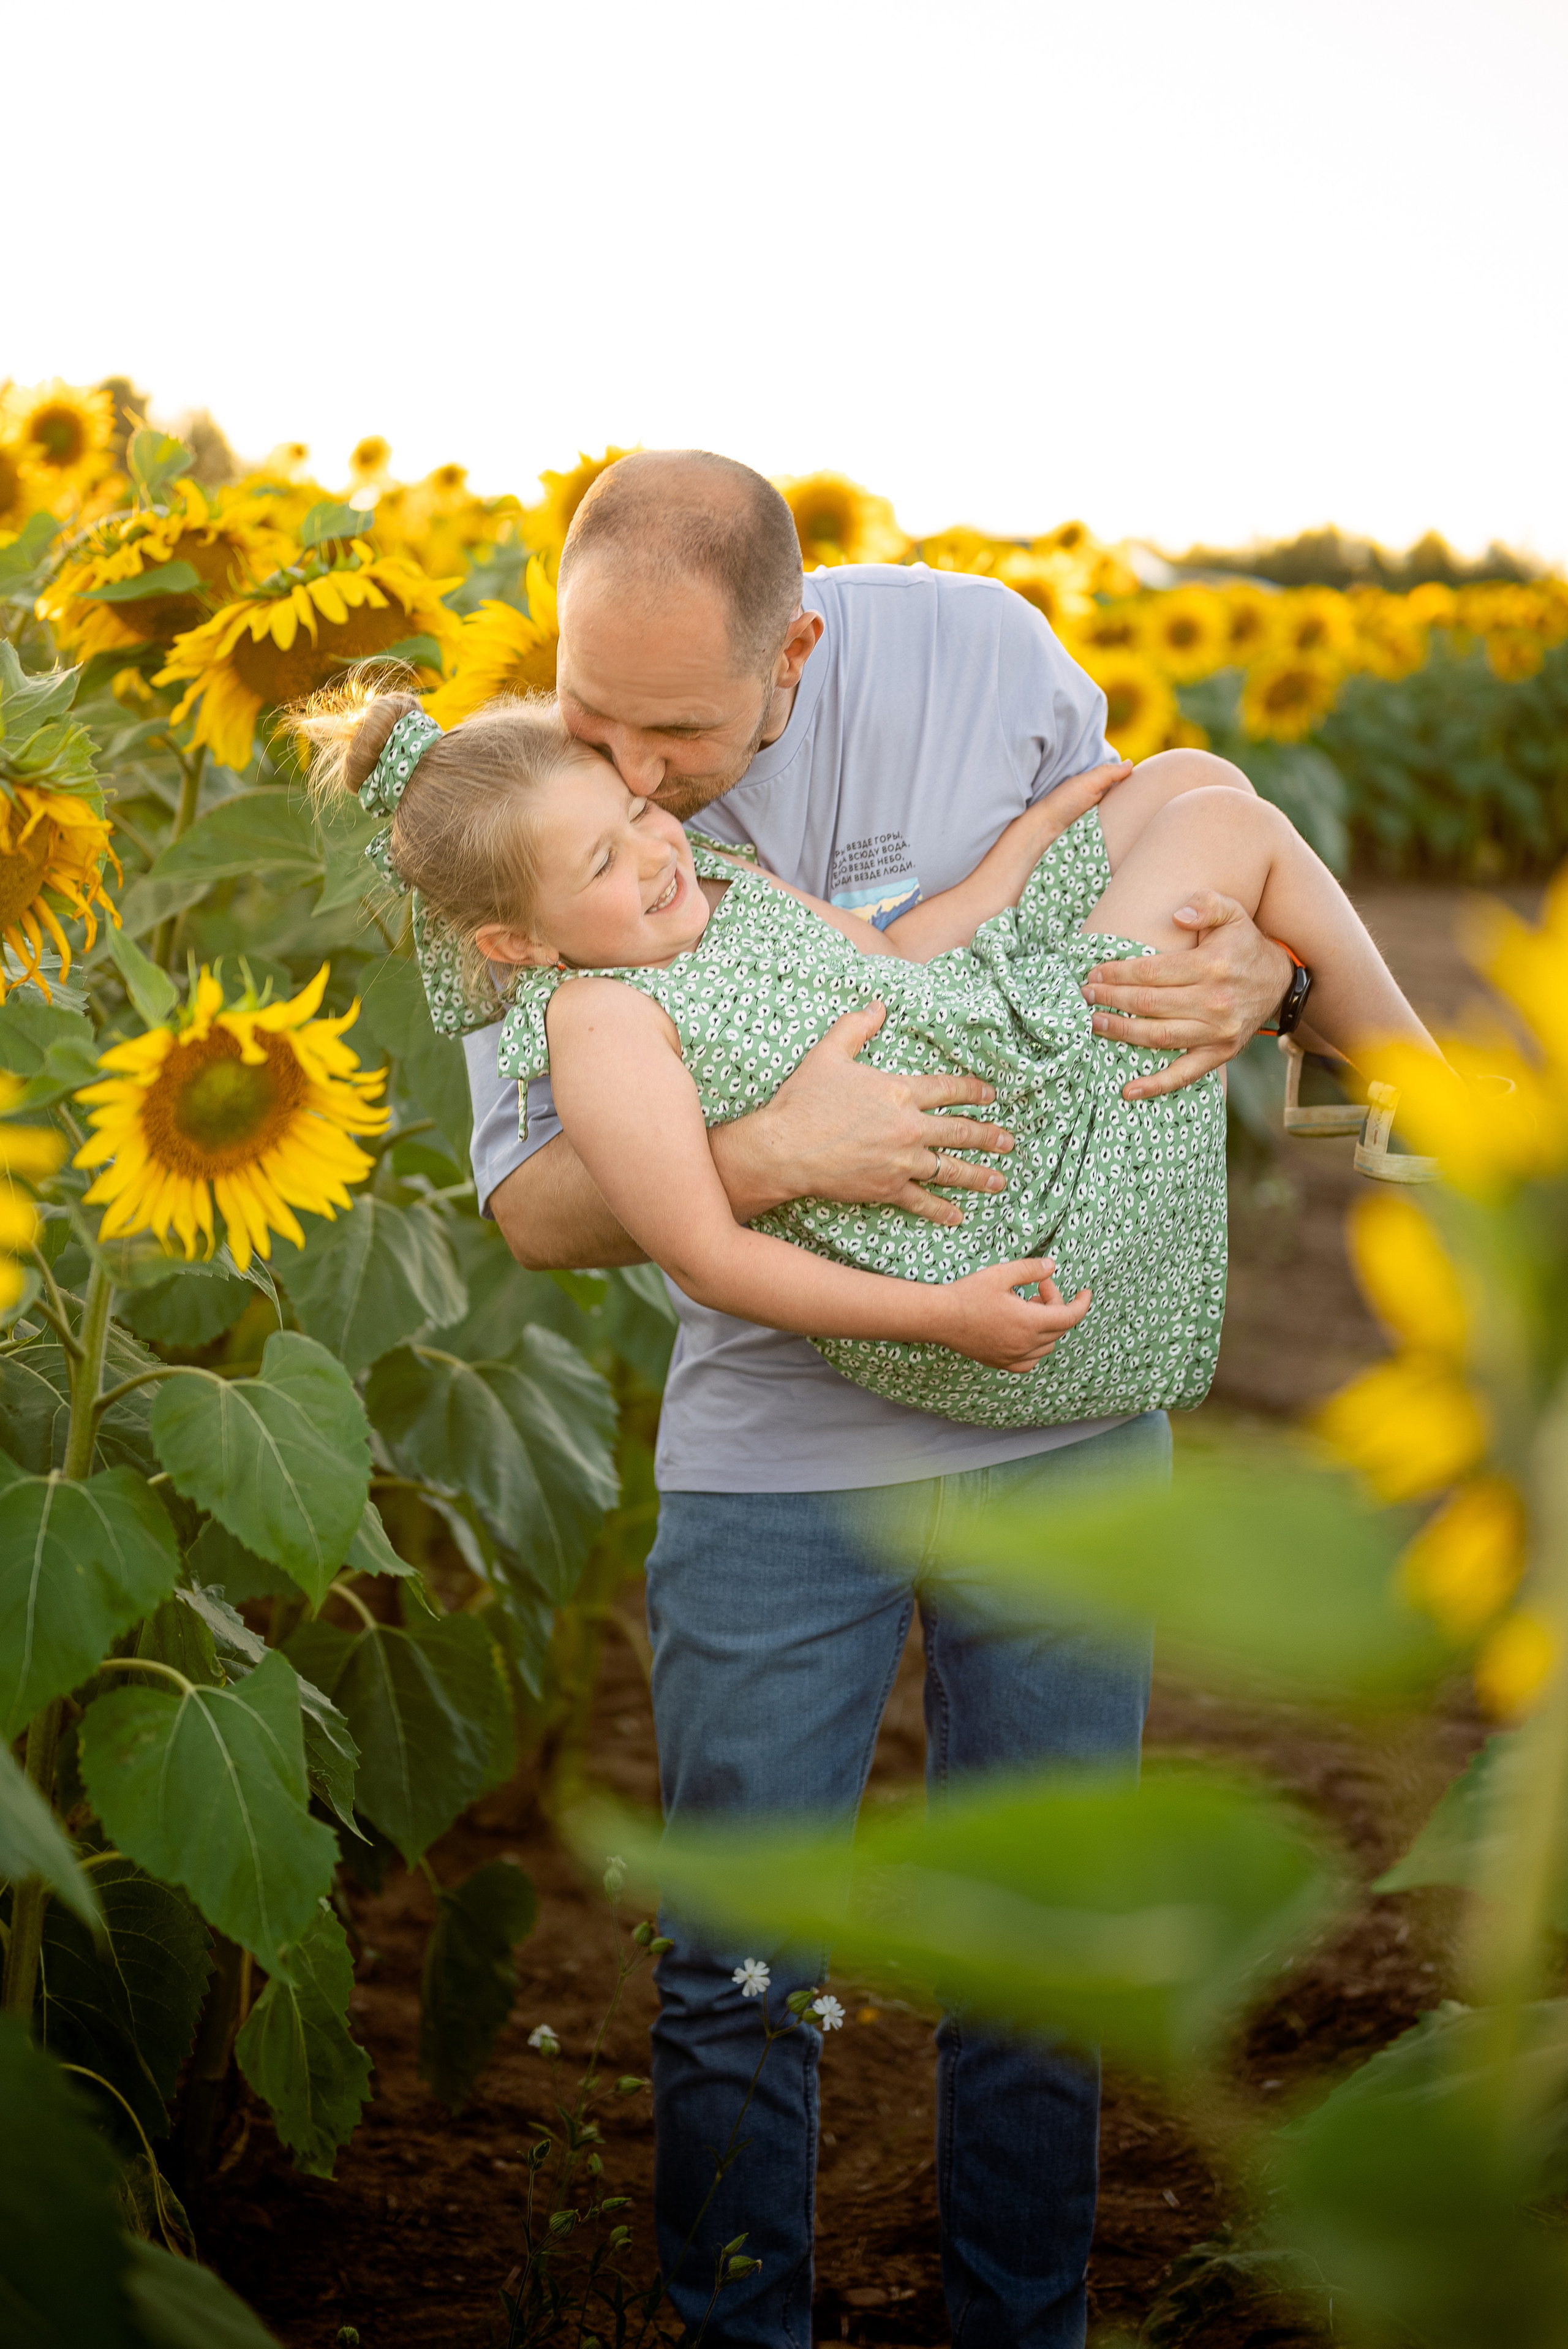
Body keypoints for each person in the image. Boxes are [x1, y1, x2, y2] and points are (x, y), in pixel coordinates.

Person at [359, 452, 1320, 2349]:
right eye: (591, 715)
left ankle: (1020, 2322)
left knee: (1045, 1951)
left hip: (1060, 1421)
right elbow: (539, 1204)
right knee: (733, 1962)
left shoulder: (986, 658)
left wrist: (1273, 987)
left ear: (793, 653)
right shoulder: (529, 804)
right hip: (774, 1454)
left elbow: (1127, 905)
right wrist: (766, 1148)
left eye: (678, 732)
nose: (629, 778)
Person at [304, 694, 1443, 1444]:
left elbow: (902, 953)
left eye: (640, 809)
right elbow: (703, 1254)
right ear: (519, 945)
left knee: (1184, 773)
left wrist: (1037, 834)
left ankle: (1369, 1090)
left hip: (977, 1038)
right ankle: (1433, 1100)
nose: (656, 852)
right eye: (602, 859)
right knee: (1221, 830)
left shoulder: (713, 876)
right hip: (993, 1201)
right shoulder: (599, 1019)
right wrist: (942, 1315)